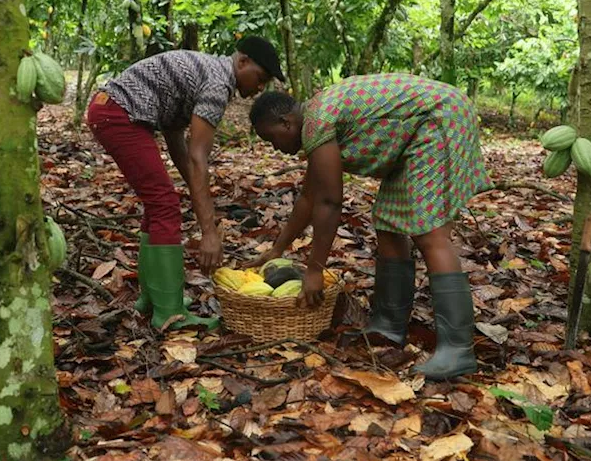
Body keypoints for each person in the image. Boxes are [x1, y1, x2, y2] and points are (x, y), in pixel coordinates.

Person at [246, 73, 489, 379]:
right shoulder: (315, 121)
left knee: (430, 234)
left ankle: (457, 350)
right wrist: (277, 249)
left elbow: (330, 202)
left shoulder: (317, 120)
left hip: (439, 118)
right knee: (389, 222)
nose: (275, 148)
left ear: (285, 123)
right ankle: (389, 324)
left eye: (271, 139)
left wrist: (314, 269)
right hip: (415, 134)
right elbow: (309, 197)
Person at [86, 37, 283, 331]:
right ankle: (169, 313)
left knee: (160, 204)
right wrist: (209, 232)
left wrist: (198, 196)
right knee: (165, 205)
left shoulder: (207, 73)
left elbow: (177, 139)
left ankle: (153, 298)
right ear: (242, 62)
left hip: (110, 109)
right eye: (261, 78)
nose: (260, 88)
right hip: (119, 113)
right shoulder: (219, 83)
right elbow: (197, 157)